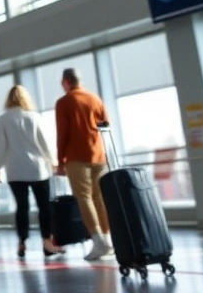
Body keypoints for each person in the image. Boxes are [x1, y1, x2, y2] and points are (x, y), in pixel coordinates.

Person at [0, 85, 64, 259]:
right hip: (37, 168)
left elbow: (0, 146)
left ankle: (22, 243)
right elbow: (44, 142)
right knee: (44, 207)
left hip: (15, 170)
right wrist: (53, 162)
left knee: (22, 207)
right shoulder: (34, 117)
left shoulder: (3, 120)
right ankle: (47, 243)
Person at [55, 67, 113, 261]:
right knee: (100, 198)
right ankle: (107, 239)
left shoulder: (64, 102)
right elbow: (106, 123)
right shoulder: (95, 99)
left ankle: (98, 241)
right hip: (98, 156)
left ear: (65, 82)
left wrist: (60, 160)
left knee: (84, 197)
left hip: (76, 157)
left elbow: (62, 133)